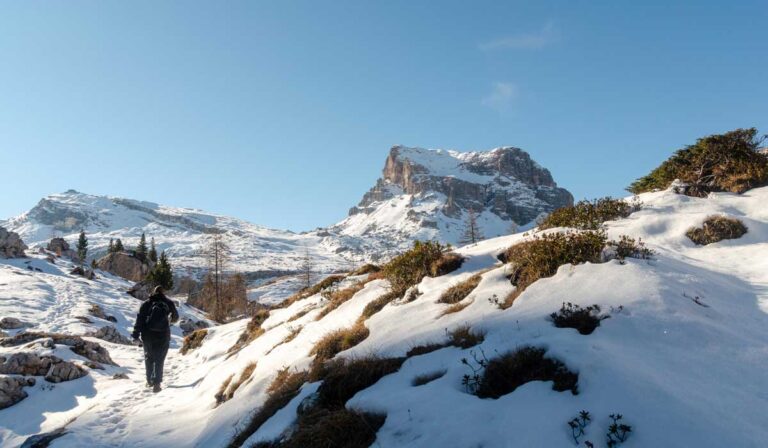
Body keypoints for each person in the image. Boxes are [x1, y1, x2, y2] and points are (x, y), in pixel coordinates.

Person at [132, 285, 179, 393]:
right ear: (163, 293)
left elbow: (140, 320)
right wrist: (167, 322)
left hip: (148, 335)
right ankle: (157, 384)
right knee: (159, 359)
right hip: (163, 335)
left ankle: (149, 381)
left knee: (149, 357)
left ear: (154, 292)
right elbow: (175, 317)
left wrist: (135, 335)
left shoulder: (147, 303)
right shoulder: (168, 303)